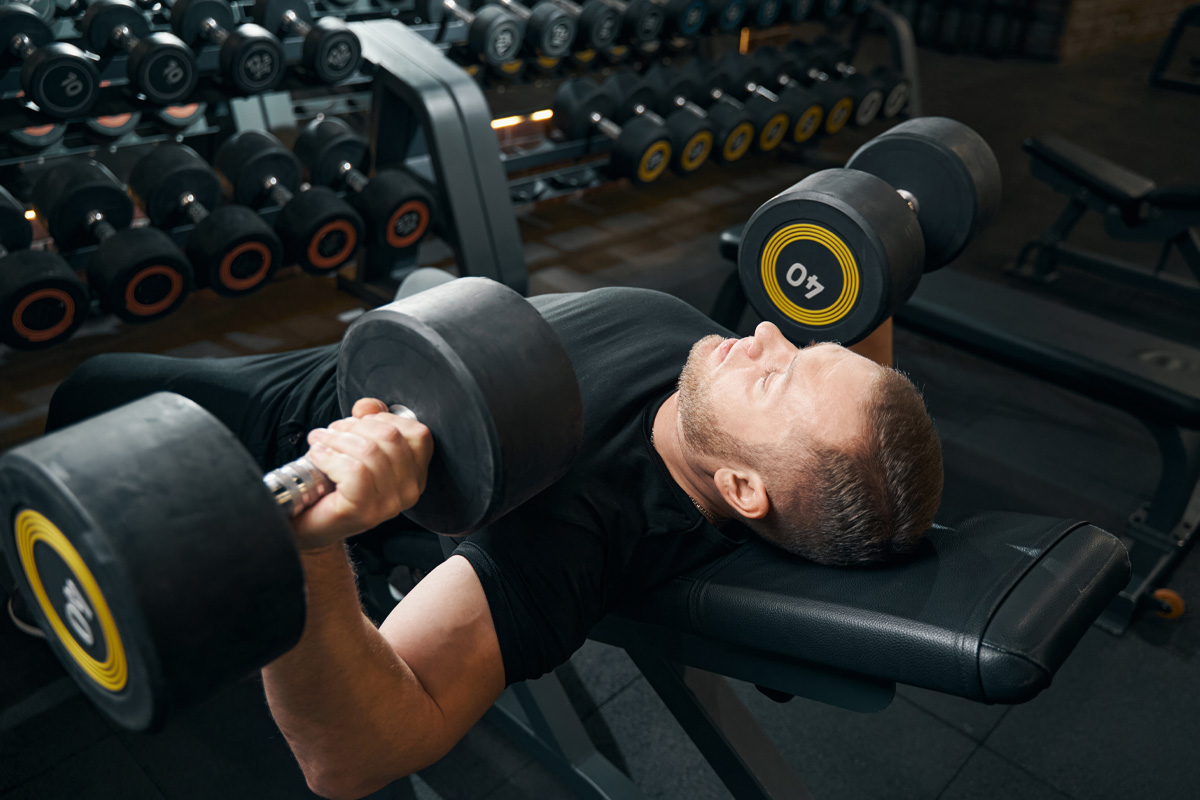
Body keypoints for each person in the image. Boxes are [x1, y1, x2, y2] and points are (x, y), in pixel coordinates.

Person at [30, 280, 942, 799]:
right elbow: (849, 433)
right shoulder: (718, 386)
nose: (768, 334)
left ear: (744, 490)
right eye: (800, 346)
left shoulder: (579, 531)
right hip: (414, 337)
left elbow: (356, 758)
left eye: (781, 377)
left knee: (91, 397)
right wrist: (881, 246)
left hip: (279, 428)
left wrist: (310, 544)